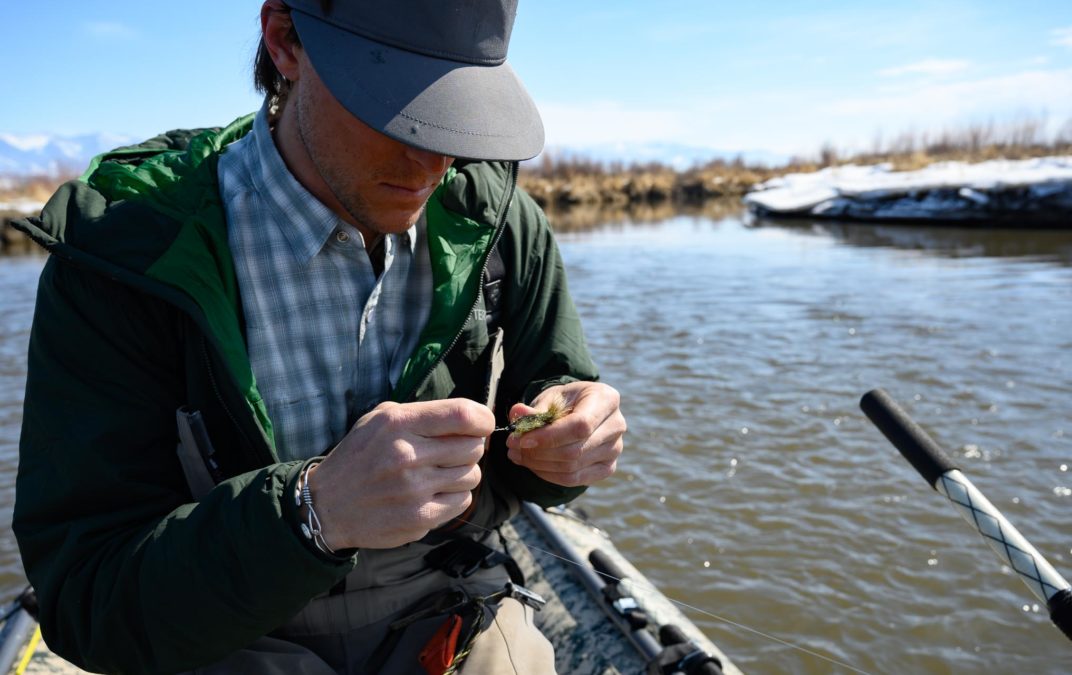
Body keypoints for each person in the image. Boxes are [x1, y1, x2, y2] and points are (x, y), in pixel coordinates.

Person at [11, 1, 625, 673]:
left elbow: (556, 408)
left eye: (458, 112)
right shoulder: (127, 251)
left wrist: (568, 450)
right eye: (395, 107)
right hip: (222, 638)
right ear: (285, 41)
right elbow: (86, 599)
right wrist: (312, 511)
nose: (432, 160)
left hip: (454, 619)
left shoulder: (502, 221)